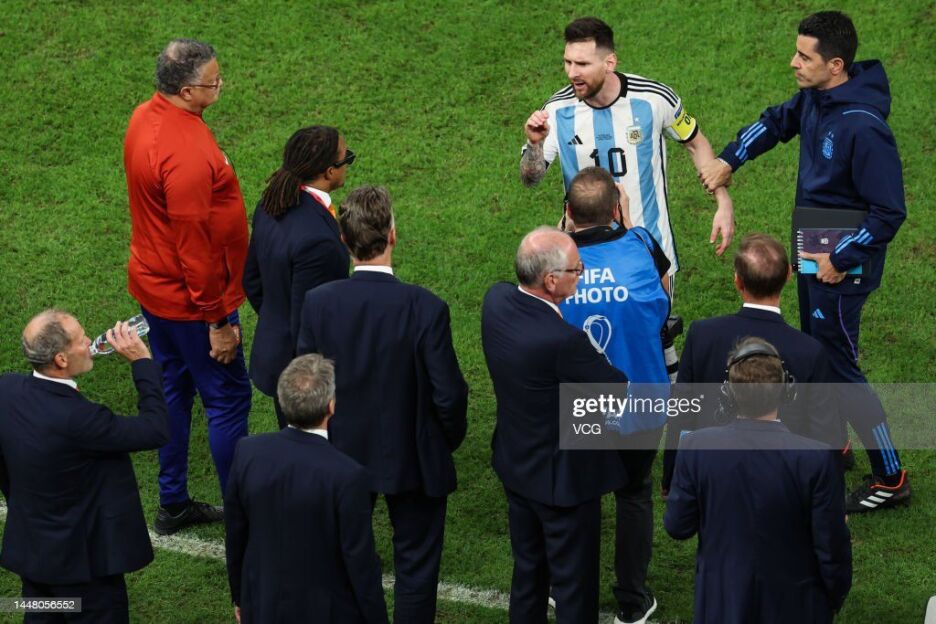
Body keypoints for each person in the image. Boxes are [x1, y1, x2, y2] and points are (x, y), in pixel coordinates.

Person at [698, 11, 909, 511]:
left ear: (835, 65)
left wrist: (840, 257)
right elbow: (777, 121)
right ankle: (835, 441)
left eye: (803, 56)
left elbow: (889, 212)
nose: (793, 62)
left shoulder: (864, 128)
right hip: (815, 251)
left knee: (839, 368)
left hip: (841, 266)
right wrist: (730, 158)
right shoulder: (818, 96)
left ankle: (891, 476)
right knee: (818, 354)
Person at [297, 186, 468, 624]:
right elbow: (449, 395)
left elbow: (305, 388)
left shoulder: (318, 304)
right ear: (393, 235)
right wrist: (441, 441)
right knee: (417, 567)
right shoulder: (426, 307)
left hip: (339, 454)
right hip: (412, 456)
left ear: (344, 240)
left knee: (340, 560)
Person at [124, 38, 252, 534]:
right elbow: (194, 248)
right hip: (192, 303)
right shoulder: (187, 154)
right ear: (184, 90)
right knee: (227, 399)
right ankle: (243, 514)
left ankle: (172, 501)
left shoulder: (144, 117)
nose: (220, 86)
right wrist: (217, 321)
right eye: (213, 82)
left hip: (154, 289)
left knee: (174, 390)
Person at [482, 226, 631, 623]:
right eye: (576, 270)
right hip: (563, 483)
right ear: (550, 281)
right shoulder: (564, 341)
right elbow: (616, 389)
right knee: (575, 590)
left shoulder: (496, 300)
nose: (581, 274)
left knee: (528, 574)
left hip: (517, 465)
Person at [520, 16, 735, 280]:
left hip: (649, 250)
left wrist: (722, 201)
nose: (572, 73)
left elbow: (695, 143)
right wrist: (535, 144)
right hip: (583, 258)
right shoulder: (557, 110)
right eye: (568, 62)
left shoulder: (653, 99)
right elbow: (530, 179)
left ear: (609, 63)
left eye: (582, 64)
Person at [665, 337, 852, 623]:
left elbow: (678, 526)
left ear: (728, 392)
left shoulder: (696, 447)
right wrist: (834, 597)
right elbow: (832, 549)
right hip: (796, 607)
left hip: (722, 604)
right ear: (786, 391)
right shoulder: (817, 458)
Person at [0, 311, 169, 623]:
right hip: (83, 571)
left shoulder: (6, 390)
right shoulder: (80, 419)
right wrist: (142, 362)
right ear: (61, 360)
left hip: (33, 554)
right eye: (81, 340)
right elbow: (155, 430)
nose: (90, 341)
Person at [558, 167, 669, 624]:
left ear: (568, 212)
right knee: (634, 494)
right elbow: (663, 307)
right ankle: (632, 601)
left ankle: (566, 590)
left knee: (576, 495)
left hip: (579, 405)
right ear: (617, 209)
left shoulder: (552, 263)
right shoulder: (642, 244)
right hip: (642, 400)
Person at [662, 233, 844, 494]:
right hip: (784, 484)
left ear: (737, 280)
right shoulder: (809, 351)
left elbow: (682, 410)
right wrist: (830, 498)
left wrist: (672, 475)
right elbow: (824, 432)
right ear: (788, 276)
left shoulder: (703, 335)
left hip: (714, 478)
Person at [224, 354, 387, 624]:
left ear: (282, 399)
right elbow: (361, 564)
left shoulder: (248, 452)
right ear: (331, 405)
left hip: (263, 604)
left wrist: (240, 596)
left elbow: (236, 535)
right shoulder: (348, 476)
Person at [242, 125, 352, 429]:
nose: (348, 166)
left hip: (279, 361)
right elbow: (312, 323)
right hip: (306, 380)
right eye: (346, 159)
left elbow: (251, 280)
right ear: (329, 171)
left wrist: (276, 319)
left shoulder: (269, 204)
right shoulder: (319, 241)